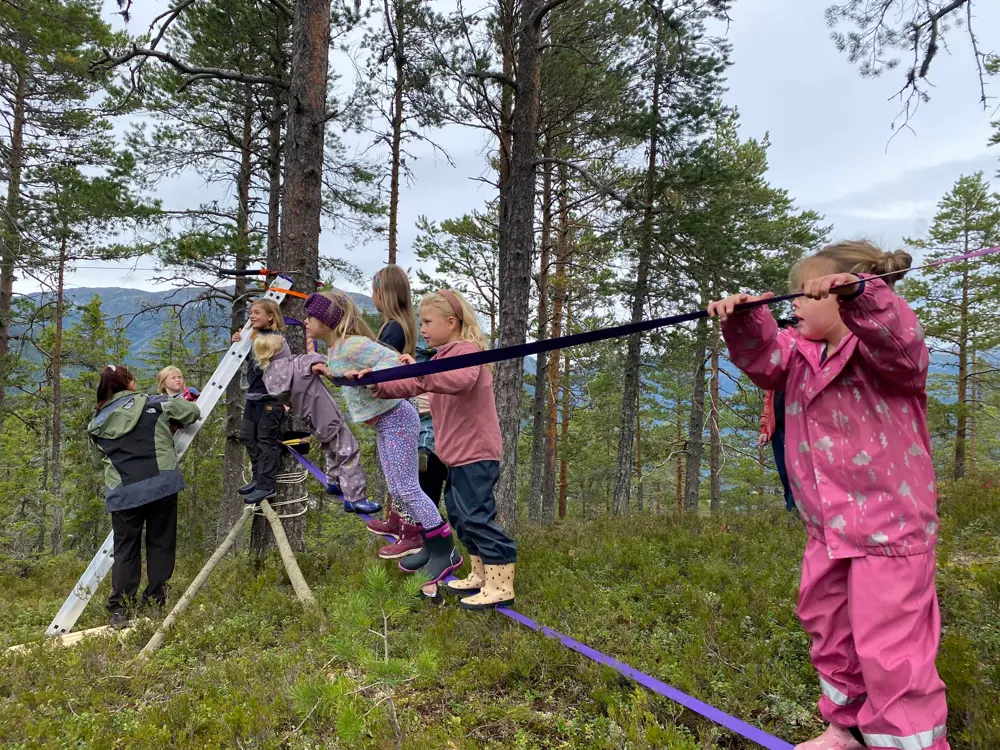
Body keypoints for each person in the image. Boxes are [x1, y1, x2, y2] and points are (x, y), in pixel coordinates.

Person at [708, 240, 949, 750]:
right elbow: (761, 359)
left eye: (805, 292)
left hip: (891, 531)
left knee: (891, 649)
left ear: (840, 295)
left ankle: (911, 743)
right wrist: (742, 319)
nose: (793, 302)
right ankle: (847, 729)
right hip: (827, 530)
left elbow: (900, 343)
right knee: (830, 631)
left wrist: (865, 296)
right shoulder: (797, 354)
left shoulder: (887, 354)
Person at [365, 289, 517, 610]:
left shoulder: (466, 351)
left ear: (450, 322)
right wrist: (376, 384)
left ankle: (501, 585)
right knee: (462, 518)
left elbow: (459, 380)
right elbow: (413, 385)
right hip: (457, 456)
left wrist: (421, 371)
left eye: (427, 322)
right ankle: (479, 575)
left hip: (476, 454)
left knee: (477, 517)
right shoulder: (438, 359)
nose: (421, 330)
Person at [304, 291, 462, 587]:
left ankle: (445, 547)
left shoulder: (353, 345)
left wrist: (368, 372)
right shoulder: (336, 350)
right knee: (397, 488)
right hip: (385, 424)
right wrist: (328, 371)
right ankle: (430, 543)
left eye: (311, 317)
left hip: (397, 417)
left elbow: (396, 363)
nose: (306, 322)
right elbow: (343, 373)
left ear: (326, 321)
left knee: (407, 487)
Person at [88, 365, 201, 628]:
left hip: (124, 493)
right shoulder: (156, 403)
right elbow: (192, 412)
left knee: (125, 550)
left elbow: (96, 463)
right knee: (160, 544)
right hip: (161, 485)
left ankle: (120, 609)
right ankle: (154, 602)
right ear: (129, 383)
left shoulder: (96, 423)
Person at [251, 333, 380, 514]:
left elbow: (283, 398)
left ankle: (334, 481)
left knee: (330, 445)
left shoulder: (270, 377)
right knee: (349, 451)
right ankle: (355, 498)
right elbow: (326, 364)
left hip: (310, 419)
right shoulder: (300, 363)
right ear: (282, 350)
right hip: (327, 414)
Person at [232, 299, 288, 505]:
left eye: (257, 312)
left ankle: (266, 485)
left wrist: (285, 397)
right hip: (253, 396)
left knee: (267, 442)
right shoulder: (255, 335)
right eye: (250, 313)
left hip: (270, 399)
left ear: (270, 316)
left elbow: (282, 369)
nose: (252, 316)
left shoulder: (276, 339)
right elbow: (251, 361)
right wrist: (239, 342)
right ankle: (257, 478)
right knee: (248, 436)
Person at [757, 319, 795, 512]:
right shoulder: (777, 371)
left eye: (788, 328)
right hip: (779, 433)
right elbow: (768, 402)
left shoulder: (802, 365)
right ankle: (793, 519)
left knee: (799, 478)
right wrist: (765, 429)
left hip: (799, 434)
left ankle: (798, 519)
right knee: (785, 477)